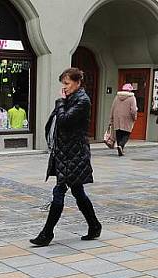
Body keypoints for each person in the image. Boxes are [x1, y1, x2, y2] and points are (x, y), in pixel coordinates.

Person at [30, 67, 101, 247]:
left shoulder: (82, 101)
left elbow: (64, 120)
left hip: (74, 155)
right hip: (65, 154)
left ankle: (47, 233)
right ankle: (94, 225)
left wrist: (60, 102)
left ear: (77, 83)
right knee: (78, 192)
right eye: (63, 84)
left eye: (67, 84)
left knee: (59, 192)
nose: (65, 87)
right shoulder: (71, 99)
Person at [109, 83, 137, 156]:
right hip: (127, 118)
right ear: (130, 90)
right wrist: (134, 117)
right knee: (126, 133)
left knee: (119, 133)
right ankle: (121, 146)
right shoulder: (132, 98)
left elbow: (112, 108)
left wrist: (111, 118)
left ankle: (120, 148)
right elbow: (133, 110)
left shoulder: (117, 97)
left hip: (117, 118)